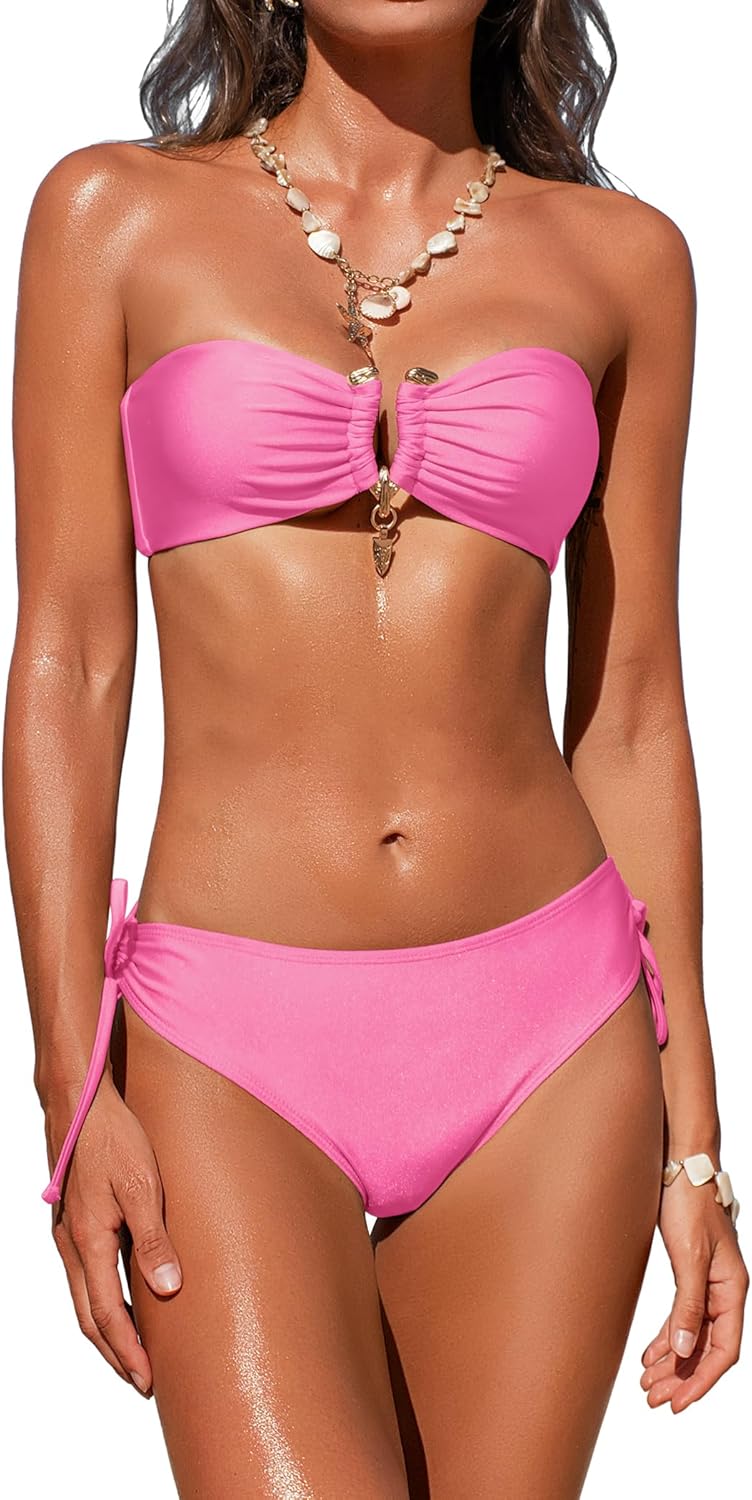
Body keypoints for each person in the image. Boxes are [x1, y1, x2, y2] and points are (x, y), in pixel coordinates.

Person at [5, 0, 748, 1494]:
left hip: (553, 1039)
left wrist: (696, 1148)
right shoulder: (111, 216)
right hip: (227, 1036)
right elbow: (70, 664)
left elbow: (633, 707)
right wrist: (71, 1087)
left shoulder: (627, 262)